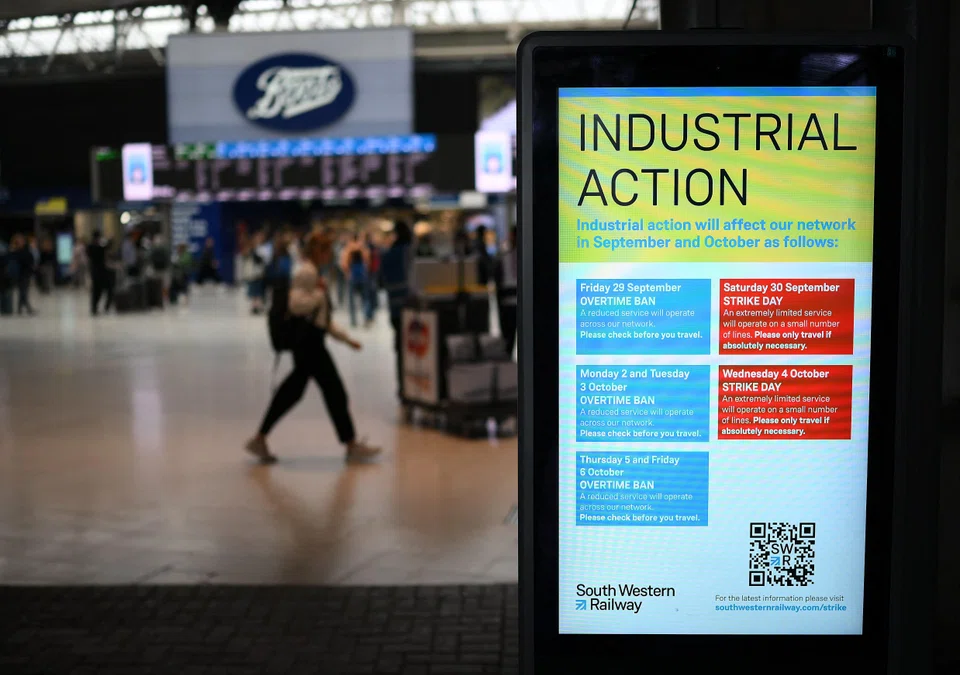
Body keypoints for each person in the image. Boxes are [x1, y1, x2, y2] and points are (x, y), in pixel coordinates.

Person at [246, 231, 381, 465]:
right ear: (318, 251)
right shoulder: (307, 272)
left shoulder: (313, 272)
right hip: (309, 343)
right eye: (326, 250)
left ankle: (260, 437)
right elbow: (297, 305)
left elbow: (323, 320)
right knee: (331, 391)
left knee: (297, 391)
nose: (330, 254)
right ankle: (350, 445)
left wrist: (347, 339)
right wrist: (319, 294)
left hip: (311, 341)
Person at [379, 220, 414, 398]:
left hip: (394, 310)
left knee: (400, 349)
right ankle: (416, 386)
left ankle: (402, 387)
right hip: (412, 309)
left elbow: (382, 281)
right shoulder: (409, 252)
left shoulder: (387, 255)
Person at [494, 226, 518, 358]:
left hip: (519, 302)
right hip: (507, 303)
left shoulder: (529, 258)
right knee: (508, 338)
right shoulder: (503, 258)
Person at [341, 234, 372, 328]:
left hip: (352, 277)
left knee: (352, 300)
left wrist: (347, 273)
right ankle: (366, 316)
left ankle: (353, 320)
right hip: (363, 276)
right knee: (365, 299)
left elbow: (344, 264)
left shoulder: (348, 249)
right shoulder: (363, 248)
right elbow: (368, 261)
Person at [87, 230, 113, 315]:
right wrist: (109, 240)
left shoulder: (93, 247)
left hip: (97, 272)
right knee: (97, 291)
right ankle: (96, 307)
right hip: (98, 273)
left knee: (98, 291)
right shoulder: (93, 247)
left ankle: (97, 307)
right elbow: (104, 248)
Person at [240, 232, 267, 315]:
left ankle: (259, 306)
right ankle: (255, 306)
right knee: (254, 292)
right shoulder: (251, 249)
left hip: (259, 273)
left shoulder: (263, 248)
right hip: (253, 274)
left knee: (259, 291)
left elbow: (262, 260)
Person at [10, 234, 36, 315]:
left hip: (26, 273)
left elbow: (30, 260)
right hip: (20, 274)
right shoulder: (15, 251)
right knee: (23, 292)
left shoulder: (26, 250)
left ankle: (20, 308)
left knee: (23, 292)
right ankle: (27, 308)